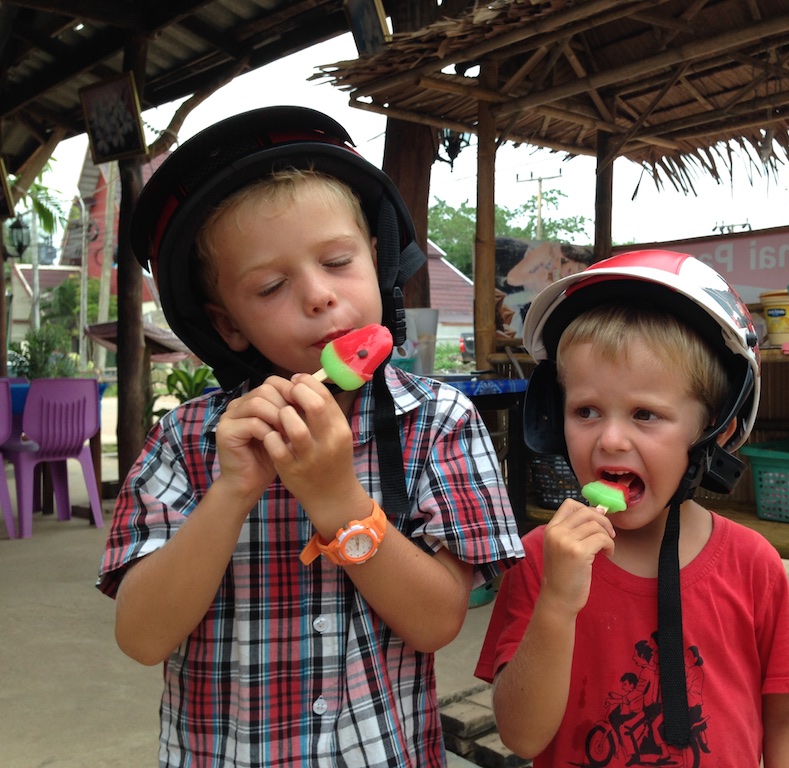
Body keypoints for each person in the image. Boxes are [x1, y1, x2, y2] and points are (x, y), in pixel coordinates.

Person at [96, 106, 523, 767]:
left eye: (337, 261)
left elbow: (438, 622)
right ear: (228, 324)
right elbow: (143, 636)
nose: (320, 296)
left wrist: (336, 496)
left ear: (377, 260)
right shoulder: (184, 441)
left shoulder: (441, 423)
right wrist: (233, 490)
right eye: (270, 286)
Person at [475, 250, 789, 768]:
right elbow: (521, 737)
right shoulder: (540, 559)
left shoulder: (753, 566)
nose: (611, 439)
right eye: (585, 410)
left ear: (716, 431)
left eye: (645, 414)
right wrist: (557, 603)